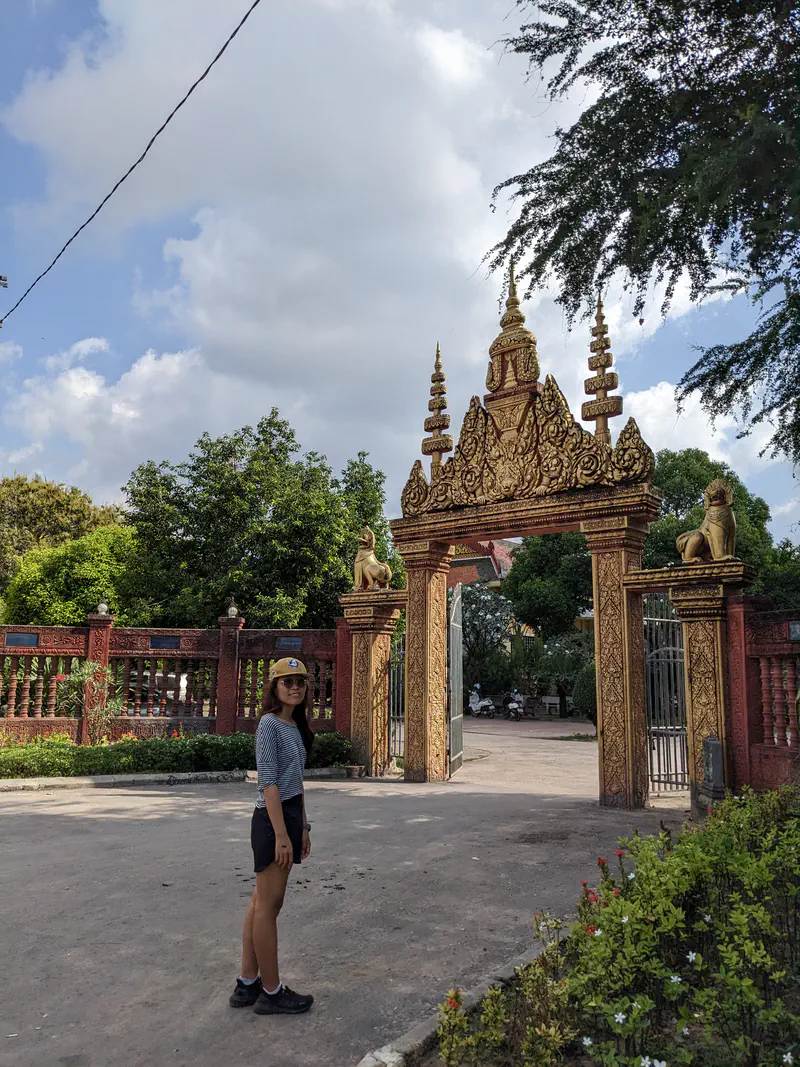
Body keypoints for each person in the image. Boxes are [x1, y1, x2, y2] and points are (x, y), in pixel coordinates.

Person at [229, 657, 315, 1015]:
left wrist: (304, 827)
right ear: (274, 688)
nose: (294, 687)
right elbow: (269, 781)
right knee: (269, 906)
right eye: (287, 682)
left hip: (291, 815)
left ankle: (248, 983)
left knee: (259, 902)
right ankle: (272, 992)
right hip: (271, 819)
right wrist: (282, 835)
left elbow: (296, 781)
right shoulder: (268, 724)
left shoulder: (294, 725)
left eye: (300, 682)